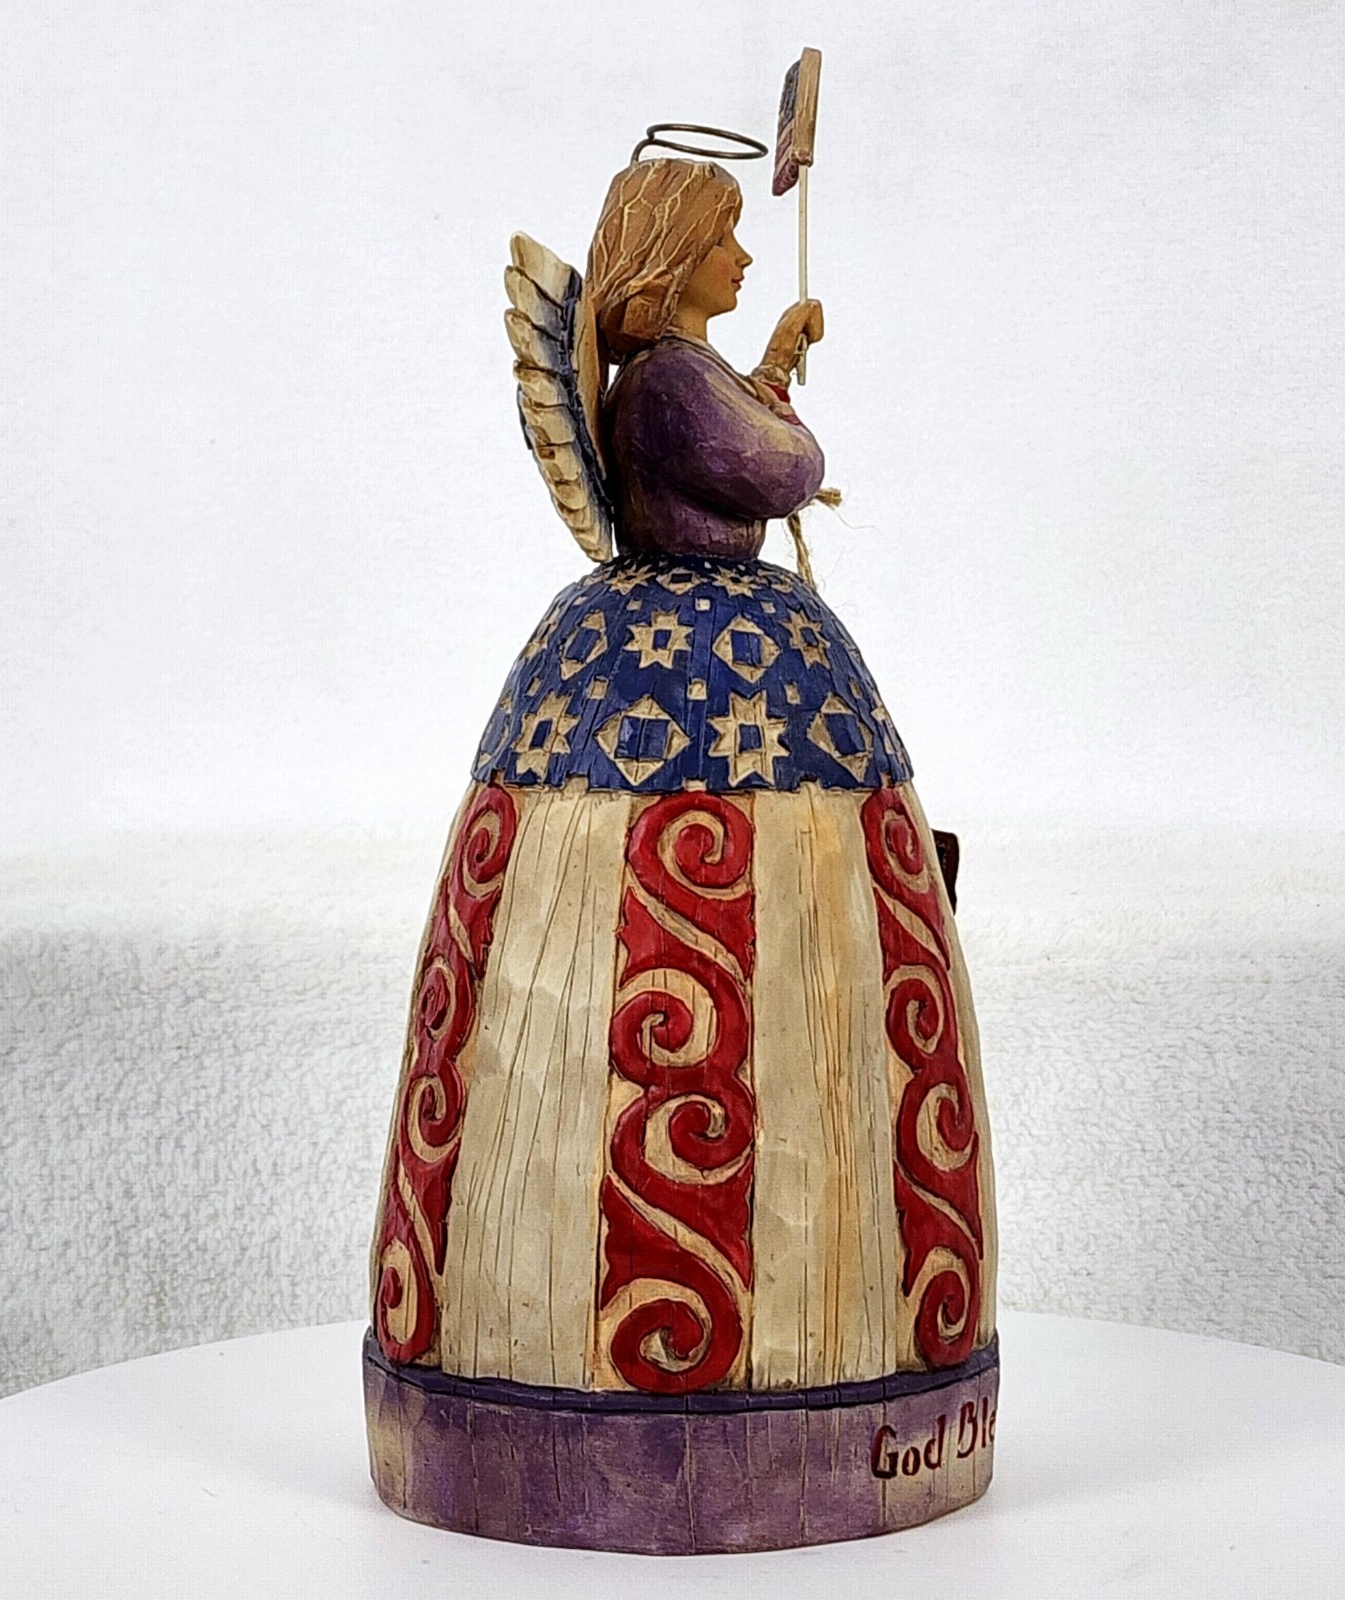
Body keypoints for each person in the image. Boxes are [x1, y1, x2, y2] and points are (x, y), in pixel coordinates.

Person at [365, 153, 1000, 1554]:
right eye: (726, 239)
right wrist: (778, 411)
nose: (746, 256)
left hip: (745, 649)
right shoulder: (661, 383)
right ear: (673, 250)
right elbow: (781, 468)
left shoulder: (682, 376)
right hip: (696, 662)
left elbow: (756, 448)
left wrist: (769, 361)